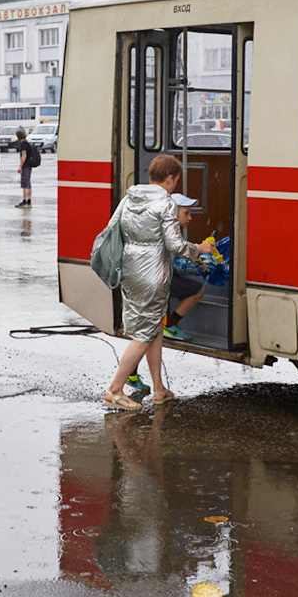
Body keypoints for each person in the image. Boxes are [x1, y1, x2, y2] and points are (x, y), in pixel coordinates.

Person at [103, 155, 214, 410]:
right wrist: (199, 249)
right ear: (170, 178)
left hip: (130, 270)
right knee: (144, 333)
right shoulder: (165, 203)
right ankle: (115, 389)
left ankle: (159, 388)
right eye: (176, 181)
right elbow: (174, 245)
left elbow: (113, 228)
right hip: (153, 272)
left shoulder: (130, 197)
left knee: (152, 330)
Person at [162, 193, 207, 341]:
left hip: (158, 275)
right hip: (161, 277)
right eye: (186, 213)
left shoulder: (164, 227)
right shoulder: (171, 232)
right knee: (198, 290)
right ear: (174, 214)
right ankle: (169, 325)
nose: (190, 218)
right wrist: (199, 253)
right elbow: (178, 260)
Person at [14, 129, 33, 209]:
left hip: (25, 166)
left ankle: (24, 201)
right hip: (29, 165)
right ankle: (29, 200)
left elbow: (24, 155)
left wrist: (20, 165)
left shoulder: (23, 145)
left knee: (25, 184)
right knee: (28, 184)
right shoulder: (27, 143)